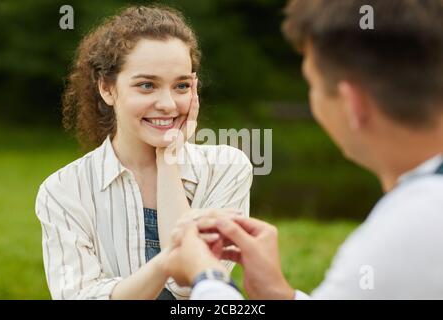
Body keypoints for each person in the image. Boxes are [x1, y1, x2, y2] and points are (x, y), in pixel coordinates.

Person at [165, 0, 443, 299]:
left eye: (313, 85)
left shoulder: (409, 231)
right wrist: (280, 294)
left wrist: (208, 277)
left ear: (353, 104)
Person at [34, 5, 252, 300]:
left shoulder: (228, 167)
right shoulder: (63, 191)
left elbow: (193, 285)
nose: (168, 104)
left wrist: (169, 161)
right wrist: (169, 261)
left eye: (181, 85)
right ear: (107, 89)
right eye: (147, 85)